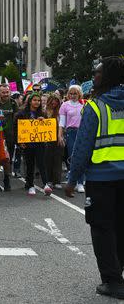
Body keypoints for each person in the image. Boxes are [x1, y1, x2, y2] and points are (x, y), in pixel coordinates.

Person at [65, 57, 124, 299]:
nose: (94, 77)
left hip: (101, 179)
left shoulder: (95, 107)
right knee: (121, 226)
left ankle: (112, 281)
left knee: (102, 229)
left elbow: (82, 148)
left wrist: (71, 179)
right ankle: (117, 270)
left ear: (107, 77)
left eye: (97, 73)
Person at [15, 92, 52, 197]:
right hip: (27, 144)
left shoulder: (42, 113)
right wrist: (20, 142)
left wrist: (43, 122)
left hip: (39, 143)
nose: (37, 102)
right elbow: (17, 128)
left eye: (39, 100)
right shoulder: (21, 113)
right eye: (35, 100)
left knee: (42, 164)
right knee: (30, 165)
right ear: (30, 101)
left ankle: (46, 184)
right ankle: (30, 185)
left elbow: (46, 128)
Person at [59, 84, 85, 193]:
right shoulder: (64, 105)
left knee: (81, 157)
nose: (73, 95)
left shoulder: (85, 104)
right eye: (71, 93)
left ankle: (80, 182)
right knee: (71, 157)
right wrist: (60, 135)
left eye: (75, 93)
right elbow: (62, 122)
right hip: (70, 133)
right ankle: (73, 181)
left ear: (79, 94)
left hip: (82, 133)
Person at [0, 83, 17, 191]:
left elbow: (17, 118)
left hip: (10, 136)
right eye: (3, 92)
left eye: (7, 92)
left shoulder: (13, 103)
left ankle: (7, 181)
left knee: (8, 159)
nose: (5, 94)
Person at [44, 95, 64, 189]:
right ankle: (49, 180)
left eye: (56, 101)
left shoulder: (61, 112)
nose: (54, 103)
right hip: (47, 139)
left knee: (58, 160)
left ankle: (57, 181)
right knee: (48, 160)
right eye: (52, 101)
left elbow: (63, 124)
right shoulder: (44, 111)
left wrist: (62, 136)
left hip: (58, 138)